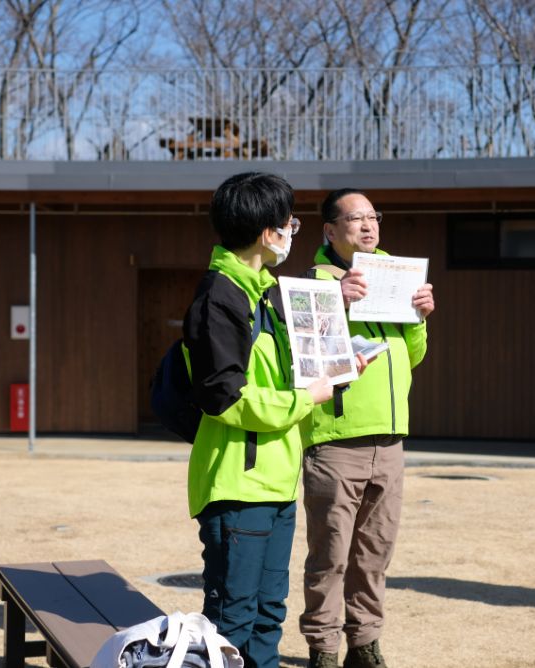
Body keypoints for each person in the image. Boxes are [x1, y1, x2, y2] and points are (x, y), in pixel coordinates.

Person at [184, 171, 334, 668]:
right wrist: (305, 398)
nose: (294, 231)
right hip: (237, 485)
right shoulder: (219, 297)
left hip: (276, 482)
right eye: (289, 222)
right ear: (268, 232)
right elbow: (223, 398)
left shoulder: (266, 292)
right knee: (232, 618)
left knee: (269, 613)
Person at [300, 188, 434, 668]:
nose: (368, 225)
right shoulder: (314, 281)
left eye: (373, 217)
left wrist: (418, 318)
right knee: (330, 553)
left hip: (390, 439)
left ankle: (365, 643)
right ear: (330, 230)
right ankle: (323, 649)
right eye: (355, 219)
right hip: (336, 440)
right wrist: (335, 300)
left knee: (375, 553)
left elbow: (410, 358)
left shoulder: (394, 276)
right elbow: (305, 357)